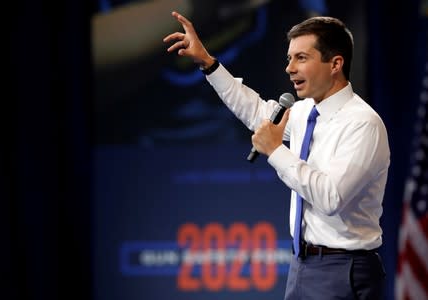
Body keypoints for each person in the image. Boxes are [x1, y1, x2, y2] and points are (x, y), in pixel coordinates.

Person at [163, 11, 389, 300]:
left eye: (301, 58)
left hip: (343, 269)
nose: (289, 68)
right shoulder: (306, 111)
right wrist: (209, 64)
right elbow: (256, 112)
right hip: (302, 265)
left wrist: (275, 151)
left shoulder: (362, 124)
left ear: (335, 64)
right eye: (289, 58)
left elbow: (330, 198)